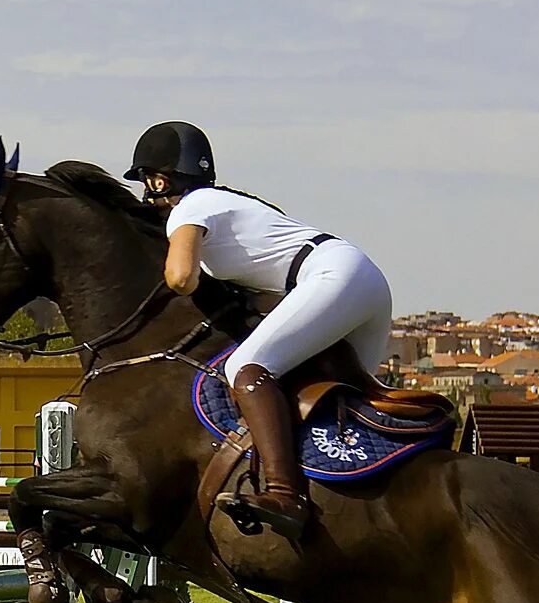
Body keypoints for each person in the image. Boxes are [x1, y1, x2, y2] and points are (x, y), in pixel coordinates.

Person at [125, 120, 394, 542]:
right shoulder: (228, 202)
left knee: (245, 367)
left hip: (330, 276)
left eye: (147, 181)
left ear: (160, 178)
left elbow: (179, 278)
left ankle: (286, 496)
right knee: (353, 401)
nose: (147, 193)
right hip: (359, 277)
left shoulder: (190, 208)